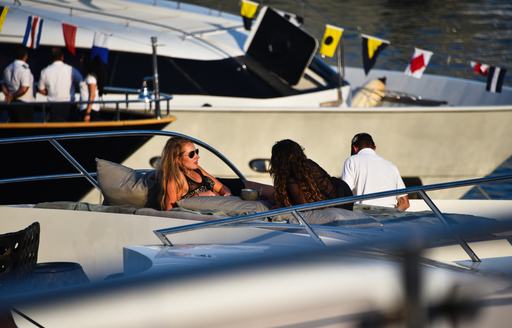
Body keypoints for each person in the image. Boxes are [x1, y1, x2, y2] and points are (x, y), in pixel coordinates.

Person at [269, 139, 353, 210]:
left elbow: (304, 208)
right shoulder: (307, 164)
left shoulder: (291, 179)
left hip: (340, 201)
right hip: (345, 195)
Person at [341, 133, 410, 211]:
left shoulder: (351, 161)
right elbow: (405, 203)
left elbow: (344, 194)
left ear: (355, 148)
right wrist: (393, 214)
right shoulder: (391, 166)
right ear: (374, 148)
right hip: (389, 219)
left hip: (364, 216)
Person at [160, 137, 232, 210]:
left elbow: (222, 188)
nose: (197, 157)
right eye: (191, 154)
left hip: (222, 208)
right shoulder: (175, 180)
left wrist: (226, 195)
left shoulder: (197, 169)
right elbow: (169, 211)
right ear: (177, 159)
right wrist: (198, 197)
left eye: (196, 152)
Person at [38, 47, 83, 122]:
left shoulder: (45, 71)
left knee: (54, 131)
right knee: (69, 131)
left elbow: (41, 89)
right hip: (69, 105)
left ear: (52, 58)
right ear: (62, 57)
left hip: (53, 106)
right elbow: (81, 82)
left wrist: (50, 93)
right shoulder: (70, 69)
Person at [1, 46, 35, 122]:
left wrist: (8, 95)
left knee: (14, 127)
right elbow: (24, 89)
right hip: (24, 104)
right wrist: (12, 96)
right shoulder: (24, 69)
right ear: (25, 56)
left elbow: (3, 85)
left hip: (12, 104)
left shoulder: (7, 68)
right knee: (26, 130)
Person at [79, 56, 106, 122]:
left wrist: (88, 113)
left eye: (82, 62)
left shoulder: (90, 78)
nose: (80, 63)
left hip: (90, 110)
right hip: (86, 108)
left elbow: (92, 95)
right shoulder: (86, 77)